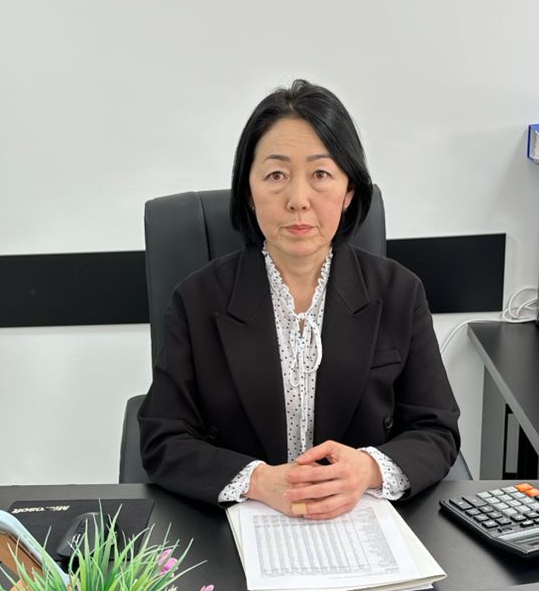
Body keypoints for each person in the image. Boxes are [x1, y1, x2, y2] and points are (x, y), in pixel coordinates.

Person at [139, 80, 461, 518]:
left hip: (360, 521)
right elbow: (163, 438)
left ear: (349, 192)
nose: (298, 200)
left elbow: (436, 431)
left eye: (320, 174)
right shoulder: (196, 301)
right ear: (248, 192)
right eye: (276, 175)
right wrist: (259, 480)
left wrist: (367, 469)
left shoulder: (399, 293)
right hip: (238, 524)